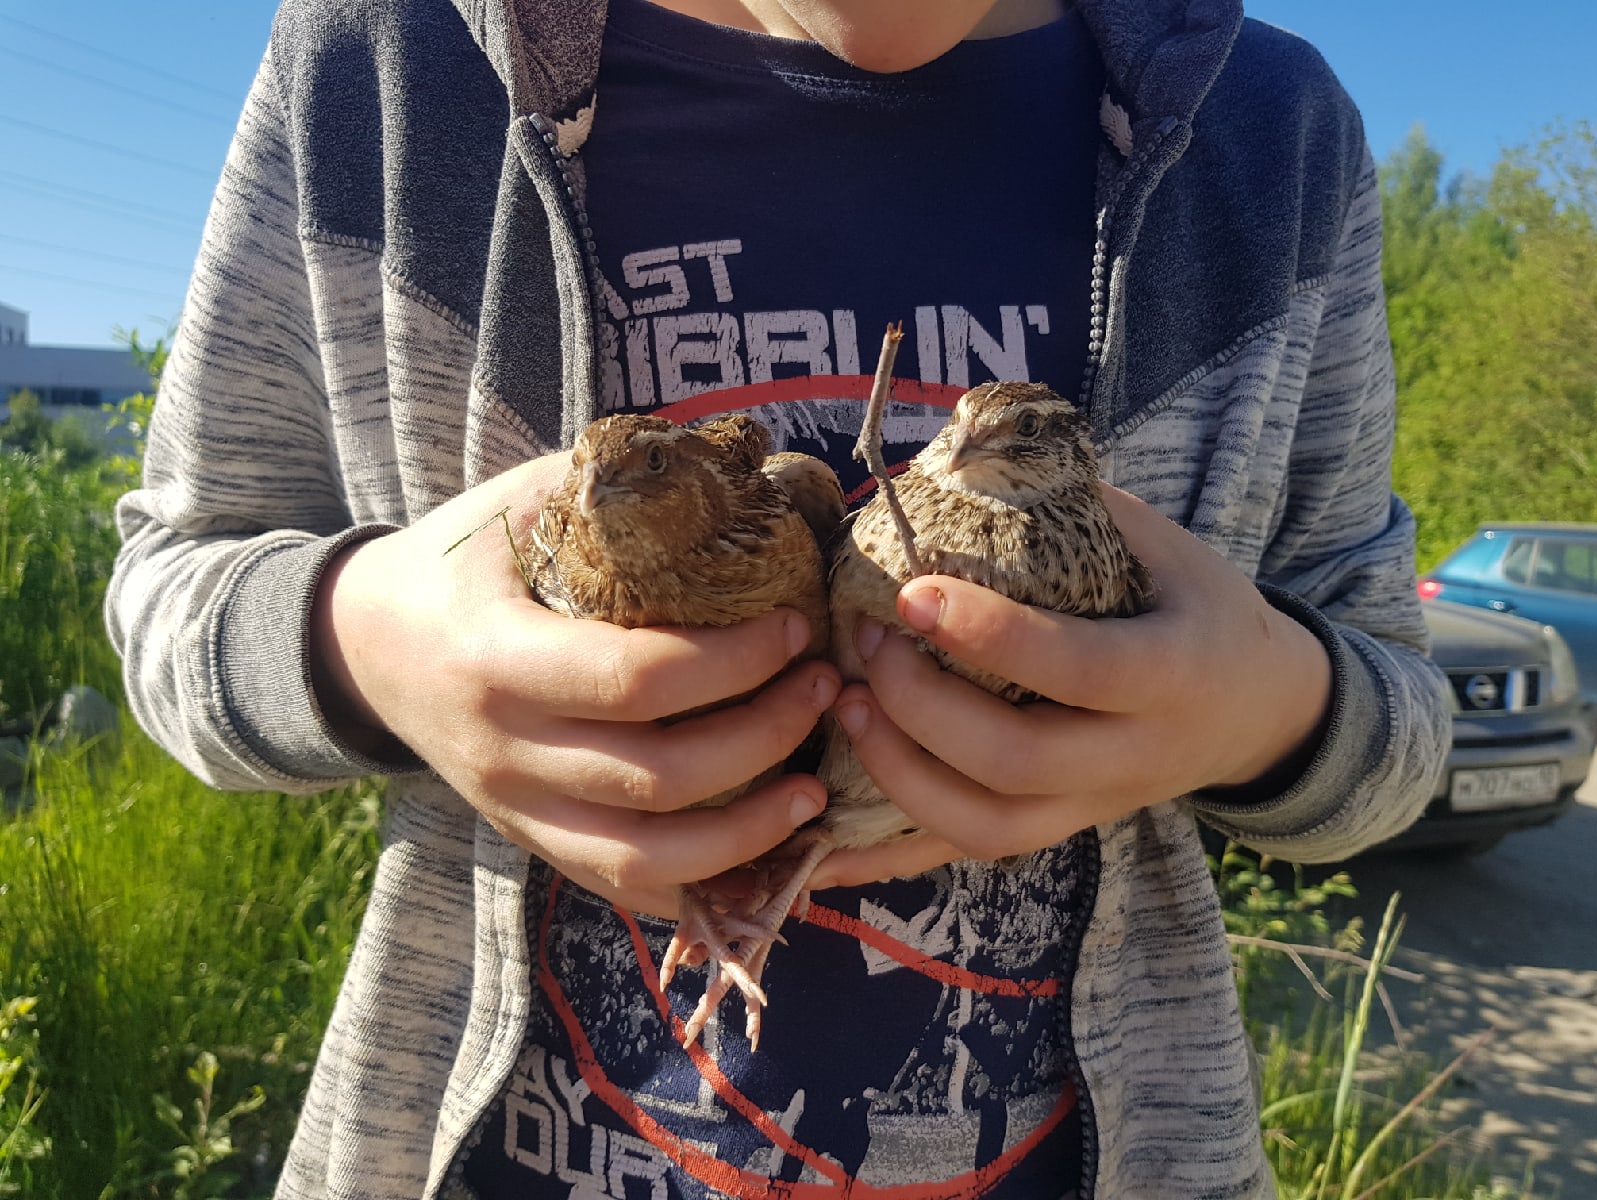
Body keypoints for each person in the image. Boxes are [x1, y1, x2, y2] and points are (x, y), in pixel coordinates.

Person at [106, 0, 1451, 1195]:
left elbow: (1398, 716)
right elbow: (172, 591)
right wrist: (367, 640)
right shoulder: (383, 67)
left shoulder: (1269, 138)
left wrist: (1266, 708)